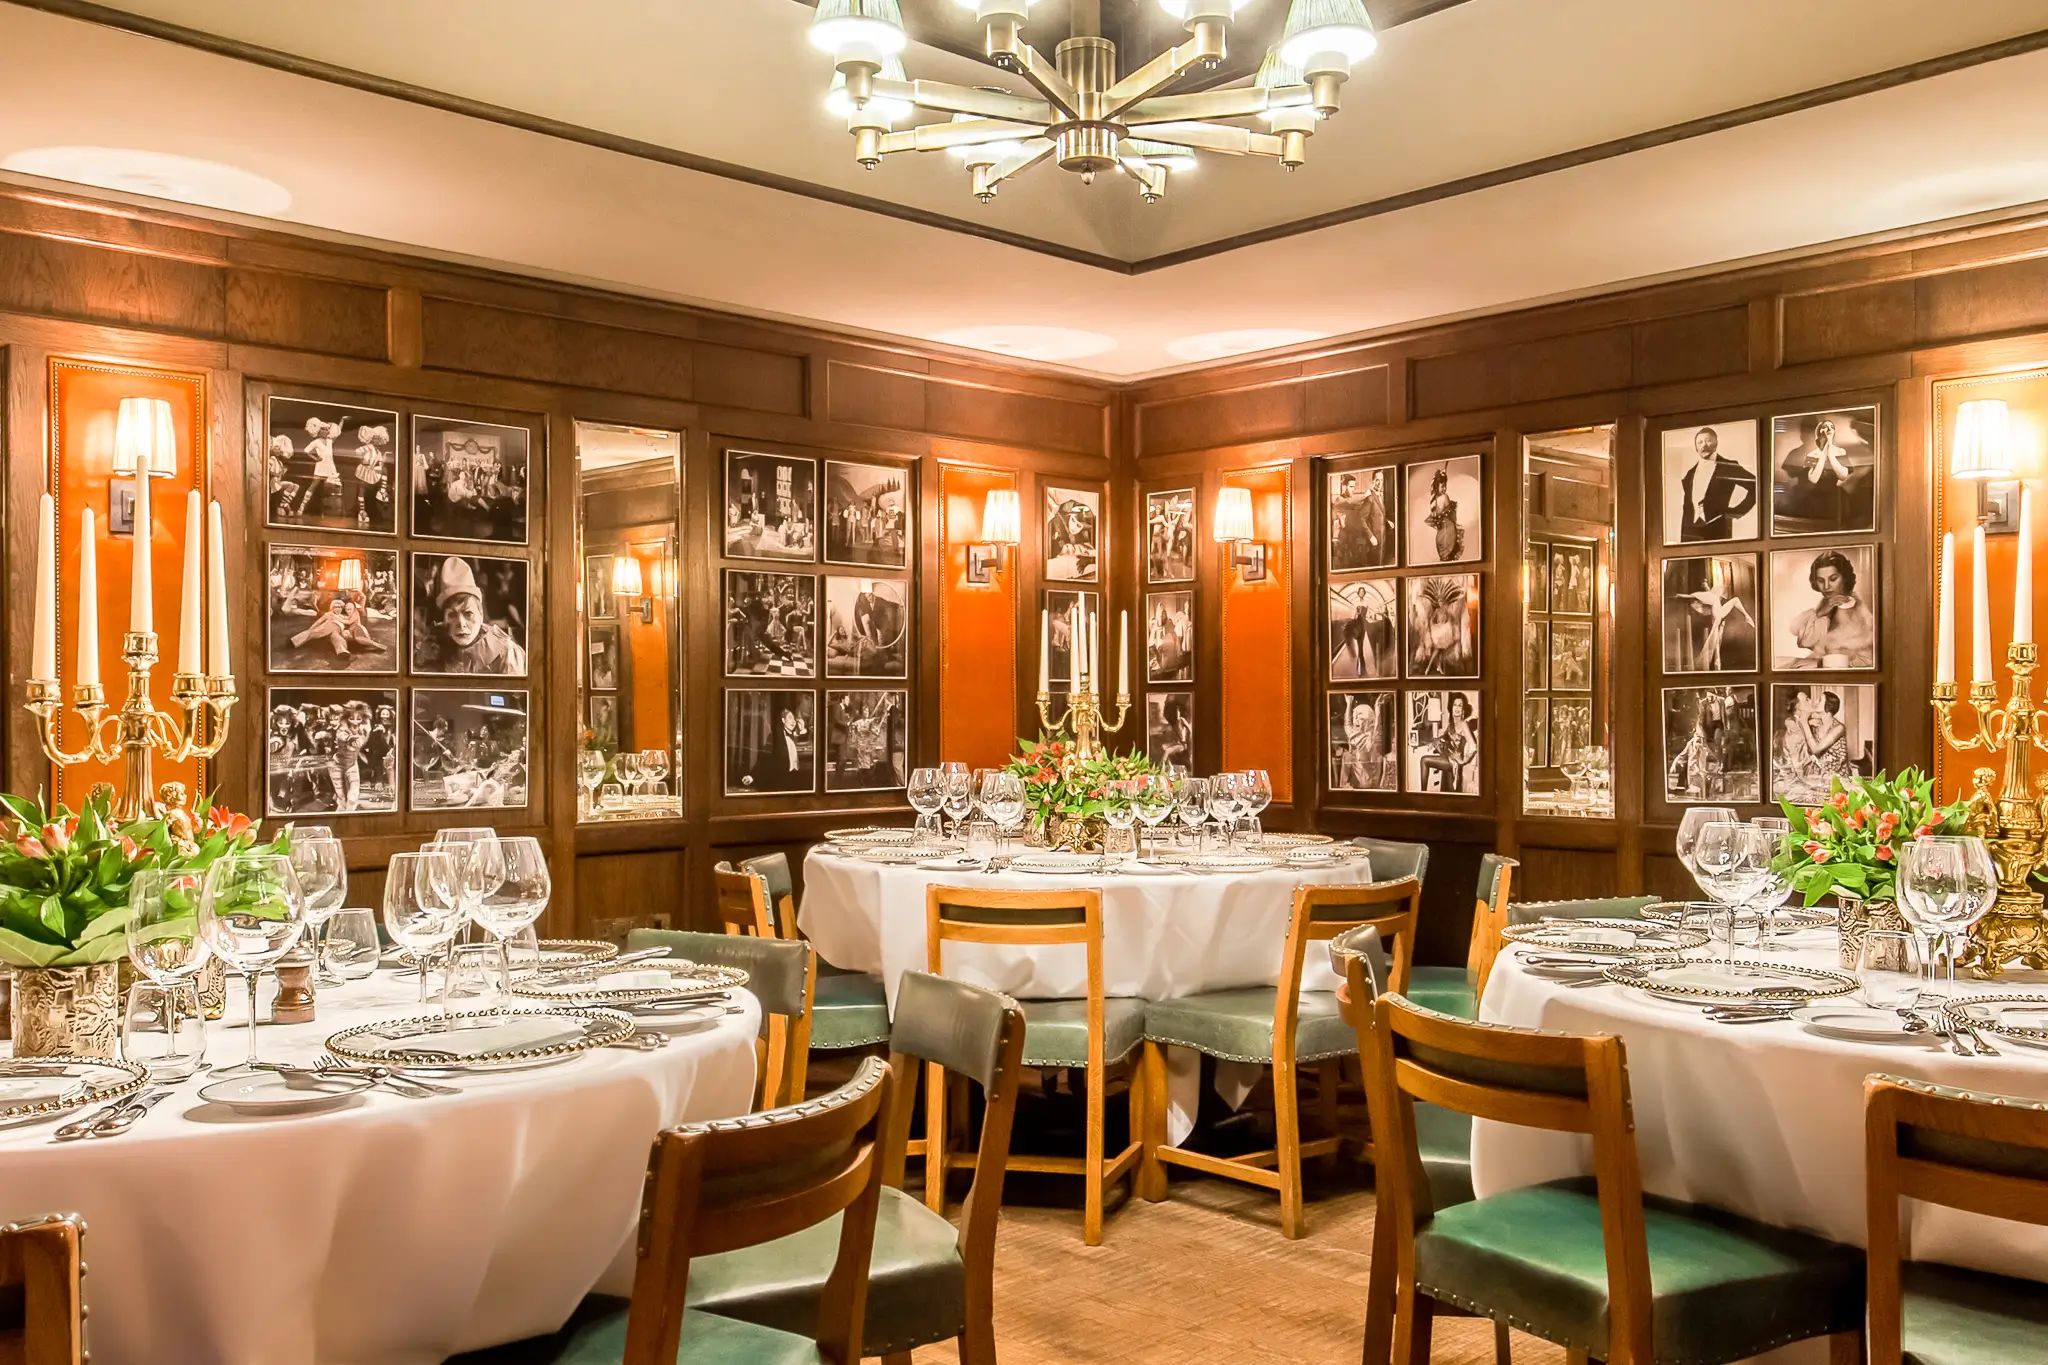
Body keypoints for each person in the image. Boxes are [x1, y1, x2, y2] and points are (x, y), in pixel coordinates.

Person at [426, 555, 527, 674]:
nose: (461, 624)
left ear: (481, 614)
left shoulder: (506, 654)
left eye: (468, 614)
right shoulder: (435, 649)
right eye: (452, 615)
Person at [1776, 415, 1870, 529]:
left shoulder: (1839, 452)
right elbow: (1795, 474)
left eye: (1829, 430)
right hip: (1804, 496)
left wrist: (1829, 453)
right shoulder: (1803, 453)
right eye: (1804, 432)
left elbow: (1843, 475)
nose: (1806, 436)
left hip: (1831, 497)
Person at [1785, 550, 1875, 668]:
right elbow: (1805, 641)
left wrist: (1820, 664)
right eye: (1821, 581)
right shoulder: (1826, 603)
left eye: (1833, 579)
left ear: (1845, 578)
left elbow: (1868, 661)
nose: (1826, 587)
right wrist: (1821, 613)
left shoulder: (1859, 610)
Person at [1677, 426, 1757, 541]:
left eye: (1708, 441)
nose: (1704, 445)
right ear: (1696, 447)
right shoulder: (1690, 474)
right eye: (1700, 442)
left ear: (1716, 443)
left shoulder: (1728, 467)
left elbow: (1756, 485)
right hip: (1690, 531)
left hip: (1717, 528)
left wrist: (1736, 512)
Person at [291, 587, 385, 659]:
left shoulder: (348, 614)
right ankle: (295, 640)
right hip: (329, 630)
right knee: (328, 634)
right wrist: (310, 629)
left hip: (342, 633)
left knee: (336, 637)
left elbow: (360, 605)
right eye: (336, 606)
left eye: (340, 607)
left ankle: (343, 651)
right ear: (332, 608)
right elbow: (319, 621)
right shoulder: (329, 614)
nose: (338, 608)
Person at [1417, 693, 1477, 793]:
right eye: (1455, 705)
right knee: (1449, 791)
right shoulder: (1452, 723)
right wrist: (1433, 742)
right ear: (1451, 707)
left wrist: (1463, 761)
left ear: (1463, 710)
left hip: (1453, 762)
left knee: (1424, 760)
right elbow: (1444, 737)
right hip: (1448, 757)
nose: (1457, 708)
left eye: (1460, 705)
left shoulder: (1463, 724)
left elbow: (1473, 746)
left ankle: (1422, 794)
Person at [1424, 468, 1464, 561]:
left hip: (1440, 537)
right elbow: (1453, 516)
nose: (1445, 488)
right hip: (1449, 535)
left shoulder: (1433, 502)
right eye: (1442, 486)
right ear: (1437, 486)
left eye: (1445, 485)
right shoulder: (1445, 497)